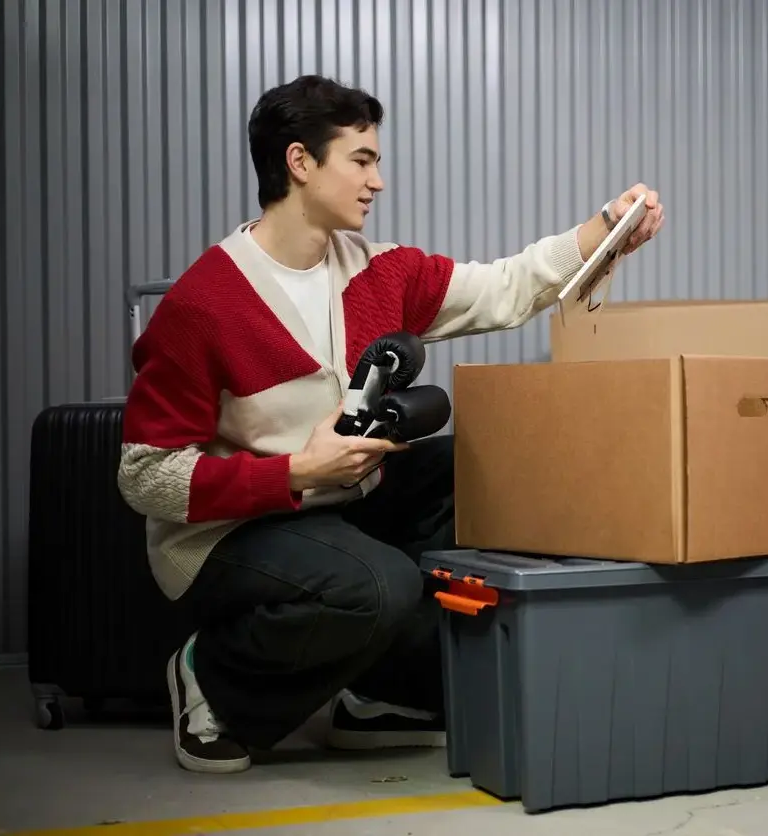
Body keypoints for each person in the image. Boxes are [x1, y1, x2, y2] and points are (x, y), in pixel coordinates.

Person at [116, 73, 664, 774]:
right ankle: (214, 679)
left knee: (484, 477)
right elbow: (145, 477)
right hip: (231, 532)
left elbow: (505, 288)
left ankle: (379, 695)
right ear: (300, 161)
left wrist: (605, 231)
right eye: (362, 160)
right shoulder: (205, 305)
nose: (377, 181)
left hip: (342, 498)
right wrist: (292, 473)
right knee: (377, 586)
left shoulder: (381, 271)